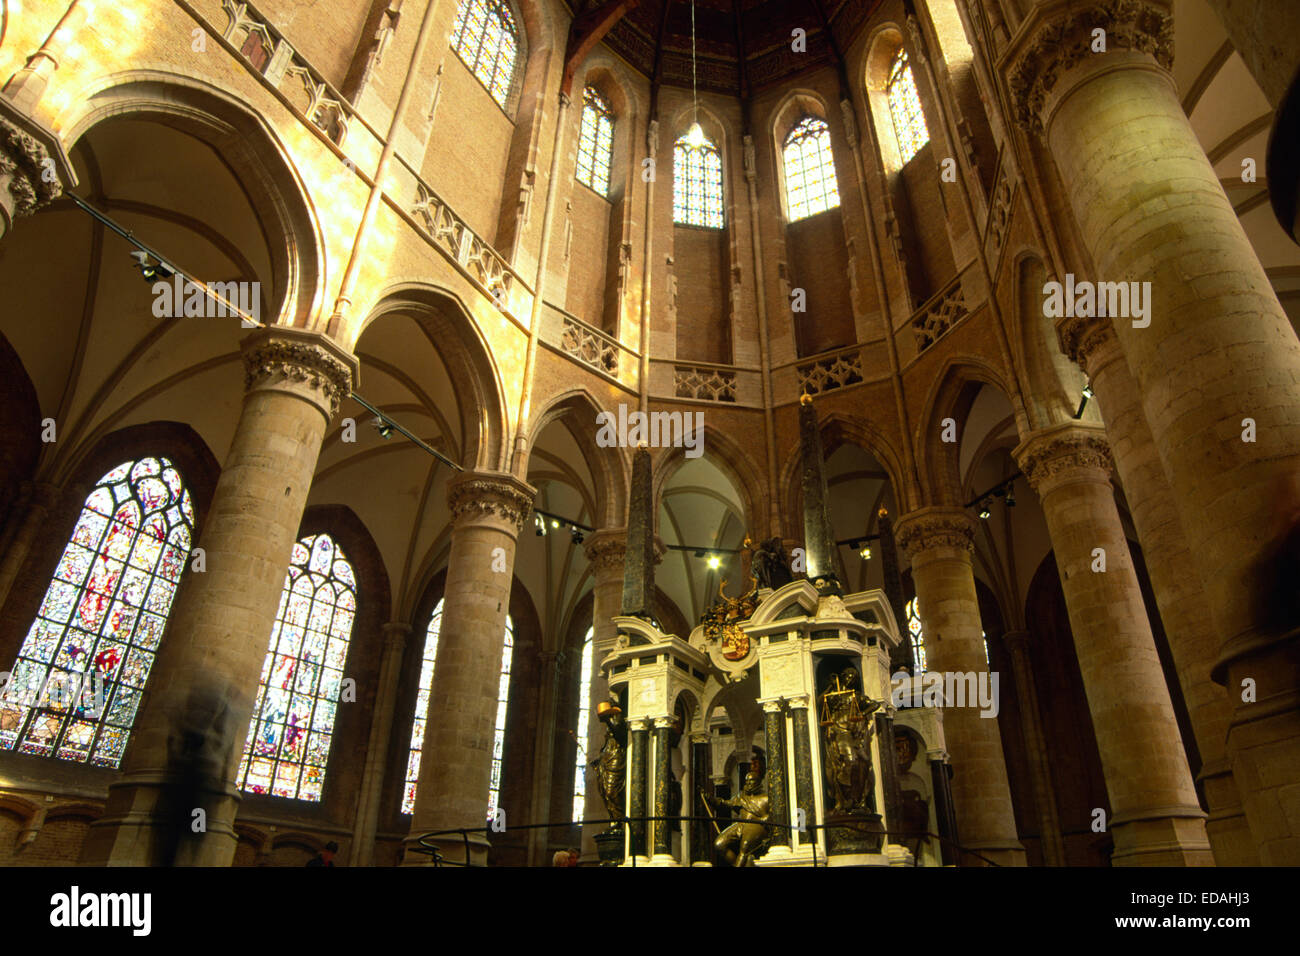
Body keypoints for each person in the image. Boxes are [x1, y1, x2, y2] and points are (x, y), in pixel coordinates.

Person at [705, 771, 771, 867]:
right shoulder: (741, 797)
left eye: (751, 780)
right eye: (746, 781)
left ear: (758, 781)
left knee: (745, 846)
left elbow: (773, 815)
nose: (748, 783)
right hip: (741, 824)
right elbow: (725, 803)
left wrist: (766, 818)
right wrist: (711, 799)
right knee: (719, 844)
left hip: (756, 825)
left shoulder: (766, 798)